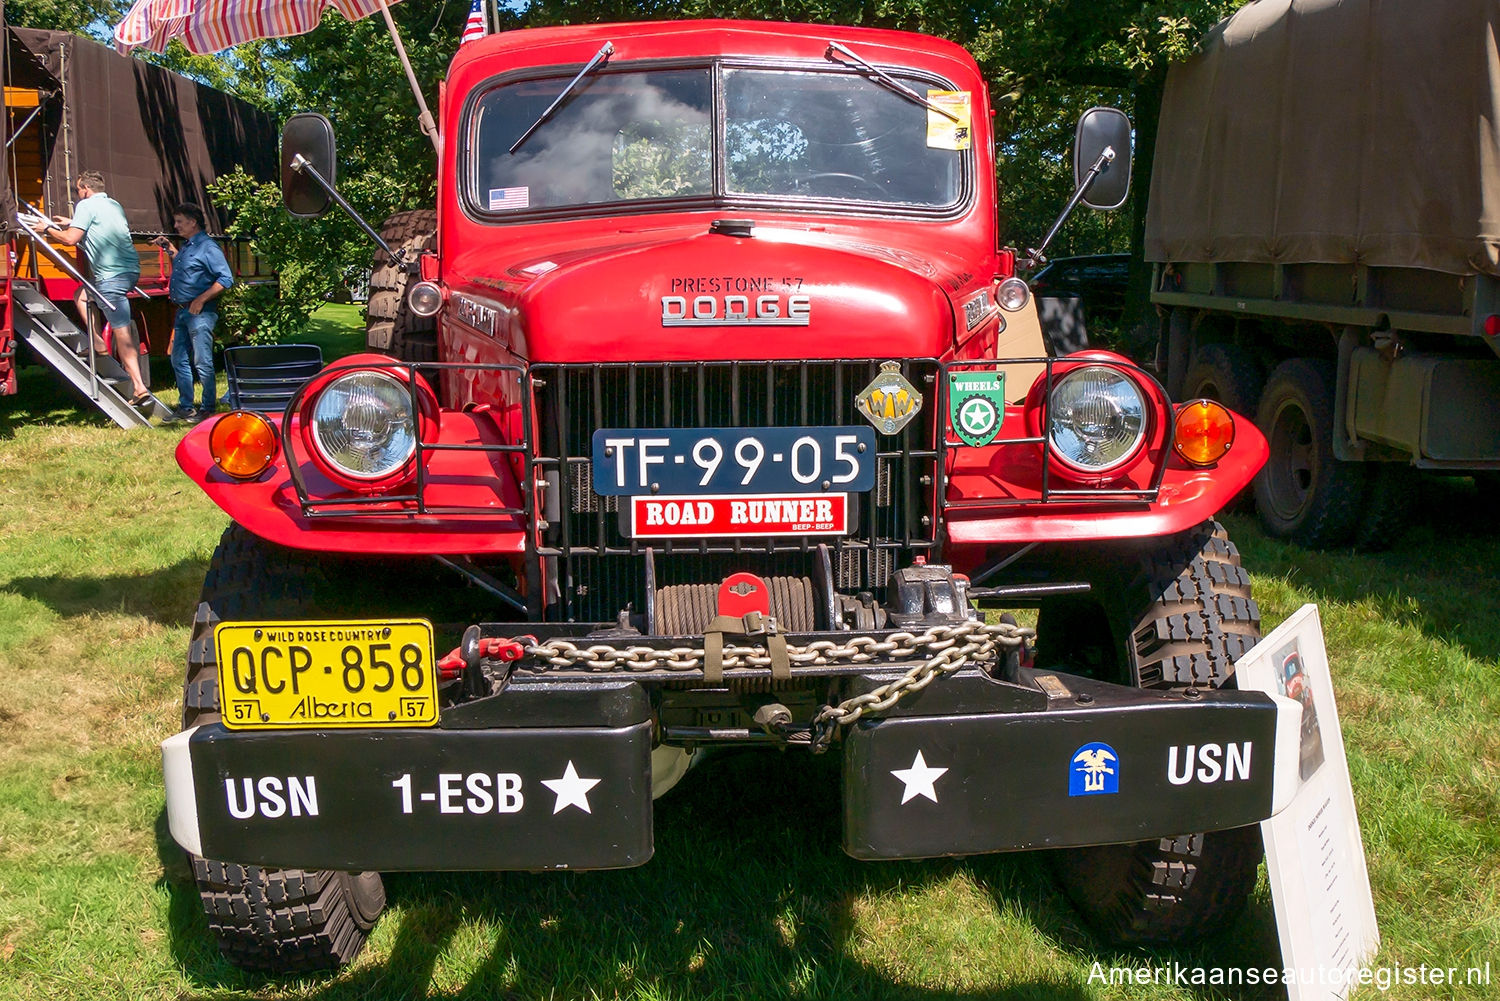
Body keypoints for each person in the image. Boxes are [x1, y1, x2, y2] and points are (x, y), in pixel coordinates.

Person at [46, 171, 152, 404]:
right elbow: (99, 229)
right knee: (81, 295)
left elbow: (70, 239)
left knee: (122, 333)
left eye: (77, 191)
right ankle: (96, 342)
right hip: (130, 271)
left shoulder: (85, 205)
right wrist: (70, 222)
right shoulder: (113, 205)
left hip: (110, 277)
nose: (78, 195)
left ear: (85, 188)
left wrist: (47, 229)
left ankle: (139, 387)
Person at [157, 202, 233, 421]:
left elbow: (226, 279)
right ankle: (186, 406)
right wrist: (169, 248)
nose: (176, 225)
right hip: (182, 312)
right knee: (178, 359)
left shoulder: (208, 247)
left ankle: (208, 407)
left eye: (180, 221)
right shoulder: (189, 246)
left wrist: (201, 299)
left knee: (202, 361)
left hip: (201, 312)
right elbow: (187, 266)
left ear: (193, 222)